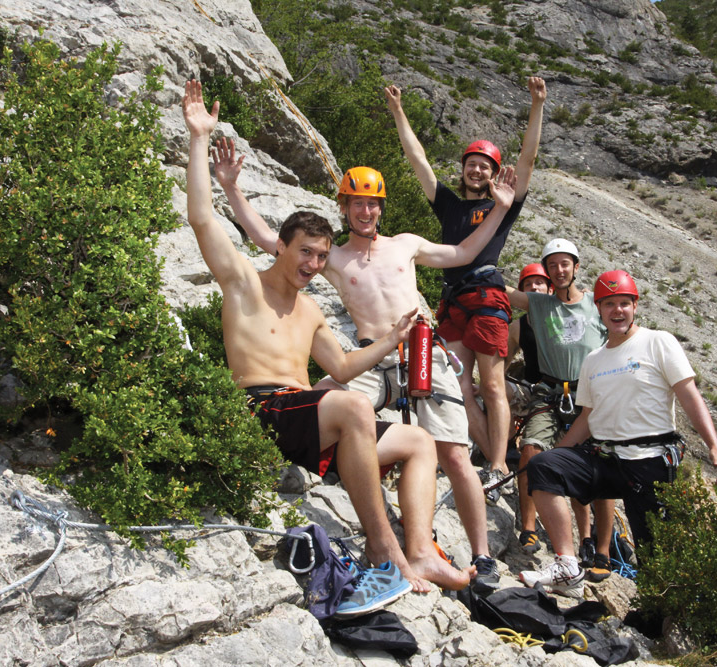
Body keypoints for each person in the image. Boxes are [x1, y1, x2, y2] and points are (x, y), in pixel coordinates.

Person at [182, 79, 470, 596]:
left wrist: (394, 340)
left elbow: (340, 368)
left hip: (309, 421)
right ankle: (385, 551)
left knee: (420, 441)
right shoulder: (243, 284)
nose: (314, 265)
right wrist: (199, 138)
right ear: (280, 248)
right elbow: (202, 219)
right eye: (305, 253)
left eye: (321, 256)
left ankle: (423, 552)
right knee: (354, 408)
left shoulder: (311, 308)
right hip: (263, 406)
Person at [211, 143, 518, 591]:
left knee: (452, 452)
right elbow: (265, 238)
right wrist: (232, 189)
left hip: (422, 353)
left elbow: (466, 253)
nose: (367, 211)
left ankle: (482, 556)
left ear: (382, 207)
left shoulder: (406, 246)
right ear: (344, 206)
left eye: (374, 202)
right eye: (358, 202)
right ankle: (334, 463)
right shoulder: (331, 257)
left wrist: (500, 211)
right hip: (374, 356)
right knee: (322, 393)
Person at [519, 270, 717, 598]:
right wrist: (557, 454)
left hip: (650, 461)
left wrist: (713, 445)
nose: (617, 311)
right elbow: (588, 417)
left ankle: (658, 611)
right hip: (606, 458)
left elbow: (689, 395)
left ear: (635, 307)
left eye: (624, 304)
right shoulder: (593, 360)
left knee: (653, 550)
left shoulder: (658, 342)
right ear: (599, 310)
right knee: (543, 467)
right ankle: (567, 566)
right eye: (609, 305)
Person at [386, 77, 547, 495]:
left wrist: (536, 106)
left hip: (487, 297)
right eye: (471, 163)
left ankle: (496, 463)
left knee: (492, 384)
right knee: (457, 384)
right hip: (453, 302)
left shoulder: (502, 206)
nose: (477, 170)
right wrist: (399, 112)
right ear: (463, 169)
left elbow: (527, 161)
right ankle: (488, 455)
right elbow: (418, 159)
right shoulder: (450, 205)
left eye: (486, 166)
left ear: (495, 174)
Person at [506, 242, 608, 566]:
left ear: (576, 267)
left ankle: (599, 549)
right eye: (553, 266)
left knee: (601, 466)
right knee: (531, 450)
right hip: (551, 392)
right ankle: (528, 526)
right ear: (547, 272)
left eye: (565, 264)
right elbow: (505, 292)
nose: (559, 271)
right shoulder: (538, 305)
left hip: (591, 395)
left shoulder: (596, 305)